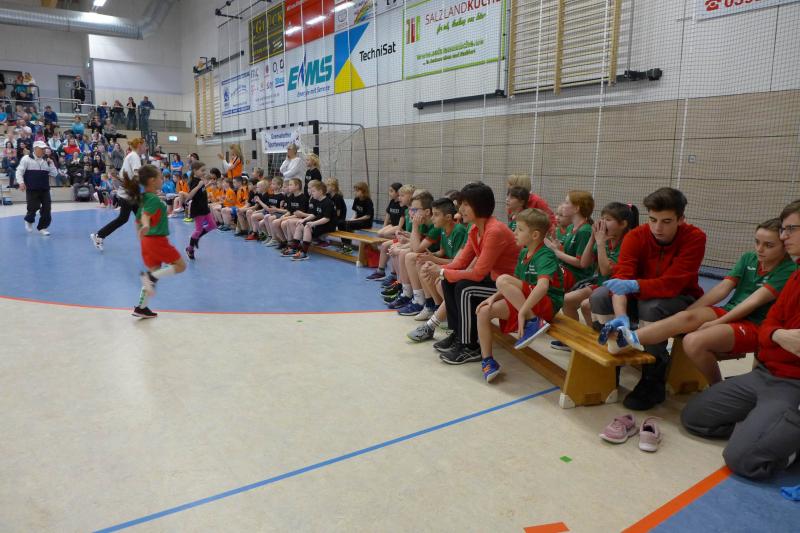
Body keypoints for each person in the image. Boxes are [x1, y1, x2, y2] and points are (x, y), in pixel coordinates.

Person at [681, 200, 800, 480]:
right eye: (783, 229)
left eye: (791, 229)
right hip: (765, 374)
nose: (784, 236)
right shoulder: (796, 276)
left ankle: (781, 439)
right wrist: (778, 335)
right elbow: (769, 324)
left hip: (793, 386)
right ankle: (761, 428)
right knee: (693, 417)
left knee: (744, 460)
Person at [614, 218, 796, 384]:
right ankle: (626, 339)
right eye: (757, 242)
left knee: (693, 342)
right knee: (684, 317)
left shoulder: (789, 269)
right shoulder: (748, 258)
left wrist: (717, 322)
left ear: (784, 246)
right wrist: (687, 314)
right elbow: (721, 289)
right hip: (730, 310)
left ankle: (716, 386)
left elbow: (752, 303)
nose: (760, 249)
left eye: (769, 245)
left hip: (755, 324)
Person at [590, 187, 706, 410]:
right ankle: (613, 357)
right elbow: (622, 277)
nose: (657, 228)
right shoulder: (636, 236)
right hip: (642, 294)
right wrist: (621, 317)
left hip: (679, 298)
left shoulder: (695, 238)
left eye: (666, 221)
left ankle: (653, 377)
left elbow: (672, 284)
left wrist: (634, 285)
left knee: (651, 307)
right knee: (600, 297)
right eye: (653, 220)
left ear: (681, 219)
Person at [430, 182, 520, 364]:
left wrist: (442, 271)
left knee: (465, 289)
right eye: (461, 204)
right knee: (448, 281)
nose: (460, 209)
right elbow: (461, 262)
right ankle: (458, 335)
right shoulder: (475, 228)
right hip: (494, 279)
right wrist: (441, 271)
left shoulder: (494, 231)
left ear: (479, 206)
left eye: (465, 204)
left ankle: (469, 346)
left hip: (511, 287)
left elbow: (478, 273)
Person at [476, 208, 564, 381]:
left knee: (502, 279)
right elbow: (515, 283)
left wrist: (523, 312)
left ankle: (533, 321)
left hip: (546, 303)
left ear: (535, 235)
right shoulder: (523, 253)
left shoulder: (545, 255)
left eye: (520, 229)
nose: (514, 233)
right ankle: (488, 361)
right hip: (528, 302)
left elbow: (542, 287)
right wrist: (493, 297)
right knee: (483, 311)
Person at [551, 202, 639, 351]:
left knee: (586, 305)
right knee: (567, 300)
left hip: (620, 290)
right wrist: (592, 238)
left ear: (623, 224)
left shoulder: (627, 242)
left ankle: (600, 344)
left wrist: (599, 243)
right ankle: (577, 340)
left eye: (608, 220)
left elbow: (605, 271)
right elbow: (584, 262)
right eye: (602, 218)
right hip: (602, 284)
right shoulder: (605, 239)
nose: (602, 223)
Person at [129, 164, 186, 318]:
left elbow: (137, 220)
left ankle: (141, 308)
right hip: (156, 240)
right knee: (181, 266)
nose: (162, 179)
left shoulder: (145, 198)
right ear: (152, 180)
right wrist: (146, 225)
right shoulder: (153, 199)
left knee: (154, 272)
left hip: (146, 241)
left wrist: (141, 236)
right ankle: (150, 278)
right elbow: (145, 216)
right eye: (160, 177)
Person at [90, 138, 147, 251]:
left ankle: (148, 242)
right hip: (128, 194)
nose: (146, 147)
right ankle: (99, 235)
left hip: (130, 193)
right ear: (139, 145)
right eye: (145, 145)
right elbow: (137, 175)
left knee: (139, 217)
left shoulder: (131, 156)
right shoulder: (134, 156)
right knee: (125, 218)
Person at [545, 190, 595, 291]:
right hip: (565, 269)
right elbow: (566, 253)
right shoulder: (570, 227)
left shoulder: (584, 231)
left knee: (543, 277)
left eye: (567, 202)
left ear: (576, 209)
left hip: (577, 275)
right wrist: (556, 245)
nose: (563, 205)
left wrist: (557, 252)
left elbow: (580, 263)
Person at [366, 185, 414, 281]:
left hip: (412, 241)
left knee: (393, 248)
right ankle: (380, 272)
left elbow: (416, 235)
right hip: (408, 239)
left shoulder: (414, 213)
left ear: (411, 197)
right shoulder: (407, 211)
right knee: (384, 245)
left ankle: (396, 277)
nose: (399, 198)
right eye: (399, 195)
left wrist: (404, 237)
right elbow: (410, 232)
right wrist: (404, 235)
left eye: (402, 196)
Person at [285, 179, 337, 261]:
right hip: (320, 224)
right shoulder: (317, 201)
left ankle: (304, 253)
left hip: (328, 225)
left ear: (320, 191)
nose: (311, 193)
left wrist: (313, 223)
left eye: (313, 191)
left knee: (307, 227)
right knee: (300, 225)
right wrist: (304, 220)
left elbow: (326, 219)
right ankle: (294, 248)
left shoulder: (328, 202)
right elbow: (314, 215)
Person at [16, 140, 58, 236]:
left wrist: (51, 164)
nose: (43, 151)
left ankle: (42, 227)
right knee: (33, 207)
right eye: (41, 149)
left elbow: (54, 174)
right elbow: (19, 171)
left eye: (44, 149)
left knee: (47, 208)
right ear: (35, 149)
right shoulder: (26, 159)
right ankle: (29, 220)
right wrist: (21, 182)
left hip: (45, 189)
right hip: (32, 188)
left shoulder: (47, 160)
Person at [184, 161, 216, 260]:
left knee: (213, 225)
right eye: (202, 170)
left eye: (204, 170)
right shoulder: (194, 181)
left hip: (204, 207)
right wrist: (199, 186)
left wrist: (207, 185)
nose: (204, 172)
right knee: (198, 230)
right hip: (198, 209)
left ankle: (197, 238)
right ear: (195, 171)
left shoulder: (199, 180)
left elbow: (200, 191)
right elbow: (190, 196)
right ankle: (190, 249)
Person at [338, 181, 375, 252]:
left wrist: (354, 220)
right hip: (358, 221)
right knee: (341, 223)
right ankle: (344, 244)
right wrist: (351, 219)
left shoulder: (368, 201)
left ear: (363, 191)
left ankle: (348, 247)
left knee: (348, 224)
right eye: (355, 190)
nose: (355, 192)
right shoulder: (356, 199)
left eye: (357, 191)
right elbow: (356, 213)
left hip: (366, 222)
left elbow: (367, 216)